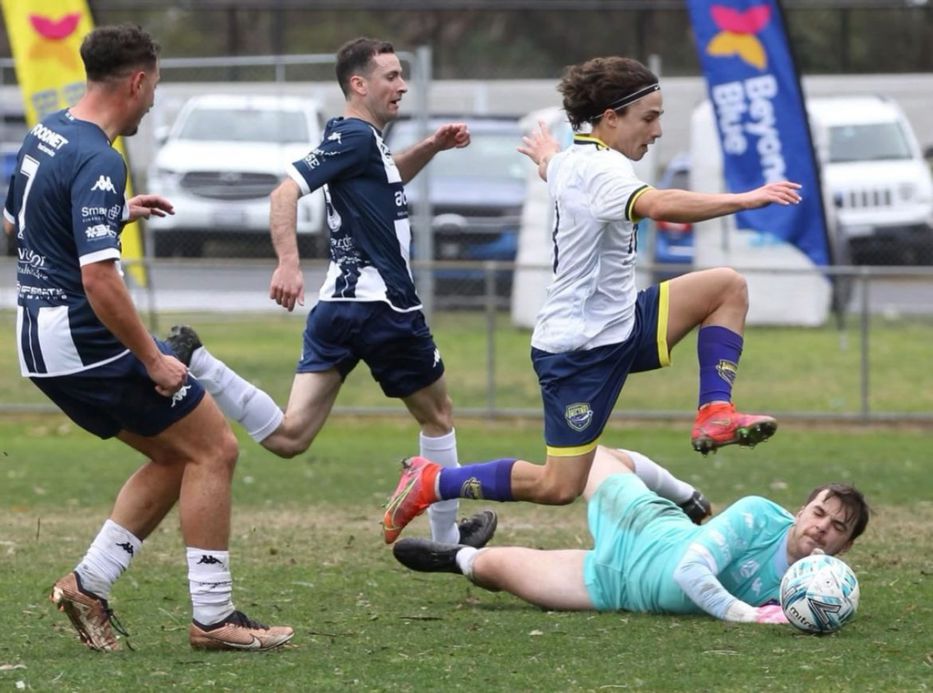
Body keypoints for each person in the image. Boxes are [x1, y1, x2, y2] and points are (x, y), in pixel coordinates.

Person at [382, 55, 802, 543]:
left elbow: (552, 169)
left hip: (623, 322)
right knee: (558, 487)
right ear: (611, 118)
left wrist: (544, 153)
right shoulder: (602, 171)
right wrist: (746, 200)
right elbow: (658, 204)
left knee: (727, 286)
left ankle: (715, 412)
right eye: (649, 117)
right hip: (579, 351)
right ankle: (432, 479)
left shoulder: (573, 158)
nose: (658, 130)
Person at [4, 24, 292, 652]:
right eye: (155, 85)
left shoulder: (45, 133)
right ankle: (214, 619)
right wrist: (153, 359)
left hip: (38, 340)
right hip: (81, 336)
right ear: (136, 81)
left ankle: (89, 584)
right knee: (215, 447)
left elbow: (18, 223)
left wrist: (113, 213)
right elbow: (100, 279)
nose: (155, 99)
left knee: (176, 454)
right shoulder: (100, 157)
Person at [164, 36, 495, 549]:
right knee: (438, 416)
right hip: (384, 305)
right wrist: (288, 263)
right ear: (358, 85)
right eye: (390, 76)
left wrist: (430, 146)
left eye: (402, 75)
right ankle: (446, 541)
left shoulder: (361, 142)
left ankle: (199, 361)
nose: (402, 85)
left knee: (290, 436)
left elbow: (386, 180)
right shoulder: (357, 138)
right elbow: (284, 190)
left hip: (338, 307)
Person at [393, 446, 871, 623]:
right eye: (818, 512)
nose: (821, 527)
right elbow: (689, 571)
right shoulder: (758, 516)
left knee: (494, 570)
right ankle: (686, 493)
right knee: (589, 458)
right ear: (799, 510)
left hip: (617, 586)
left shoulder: (818, 588)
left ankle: (456, 554)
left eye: (836, 527)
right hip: (644, 526)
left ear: (844, 547)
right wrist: (747, 616)